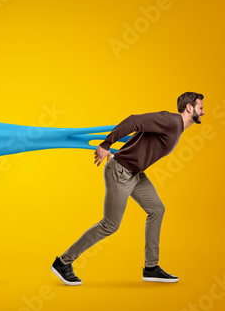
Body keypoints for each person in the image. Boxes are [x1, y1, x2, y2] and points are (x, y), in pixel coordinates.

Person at [51, 92, 205, 285]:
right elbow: (134, 121)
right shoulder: (170, 121)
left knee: (157, 209)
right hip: (120, 171)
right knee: (110, 225)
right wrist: (107, 144)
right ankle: (63, 262)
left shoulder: (177, 128)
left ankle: (151, 268)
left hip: (135, 174)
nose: (203, 112)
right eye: (200, 108)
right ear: (189, 108)